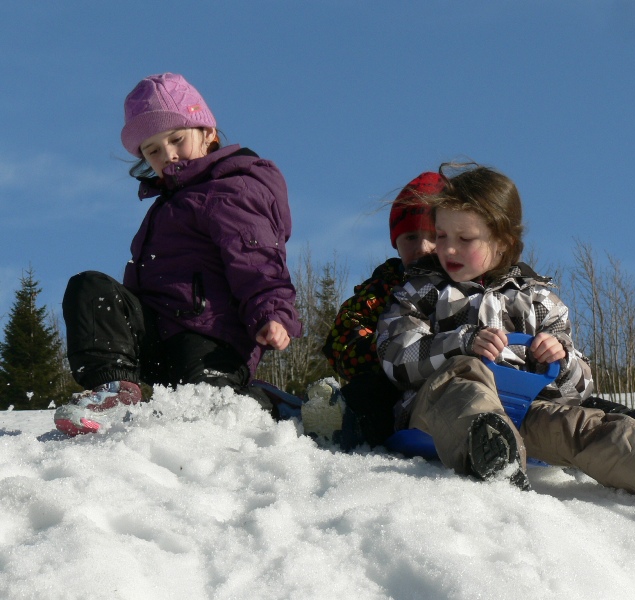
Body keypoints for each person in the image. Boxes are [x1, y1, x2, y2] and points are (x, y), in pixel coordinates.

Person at [376, 163, 635, 523]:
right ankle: (485, 448)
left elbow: (581, 386)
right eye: (442, 236)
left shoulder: (539, 301)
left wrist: (560, 358)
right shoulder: (421, 291)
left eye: (465, 239)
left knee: (591, 428)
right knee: (467, 375)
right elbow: (395, 356)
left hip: (524, 414)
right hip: (441, 411)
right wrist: (461, 342)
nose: (448, 249)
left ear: (503, 242)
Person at [54, 73, 301, 436]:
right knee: (91, 289)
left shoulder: (231, 190)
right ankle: (113, 392)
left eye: (176, 139)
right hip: (157, 332)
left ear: (208, 133)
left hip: (211, 337)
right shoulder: (167, 205)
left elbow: (256, 257)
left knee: (205, 414)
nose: (167, 154)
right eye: (152, 150)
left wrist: (271, 312)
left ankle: (268, 404)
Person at [303, 172, 444, 447]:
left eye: (434, 237)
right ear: (396, 242)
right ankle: (339, 420)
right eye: (411, 237)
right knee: (370, 393)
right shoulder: (385, 286)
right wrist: (389, 352)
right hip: (392, 385)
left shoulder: (464, 286)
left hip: (447, 384)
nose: (423, 248)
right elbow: (344, 334)